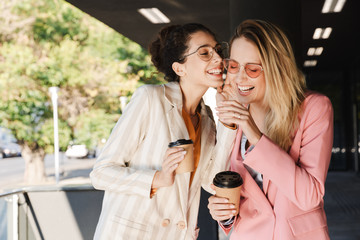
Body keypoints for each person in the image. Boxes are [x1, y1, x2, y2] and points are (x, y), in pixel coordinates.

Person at [90, 23, 237, 240]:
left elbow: (209, 181)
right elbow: (100, 174)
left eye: (218, 51)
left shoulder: (206, 118)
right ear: (180, 68)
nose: (218, 59)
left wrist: (228, 121)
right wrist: (158, 179)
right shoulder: (150, 99)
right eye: (205, 53)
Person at [208, 19, 334, 240]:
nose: (239, 77)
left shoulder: (314, 107)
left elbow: (309, 195)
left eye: (253, 69)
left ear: (276, 68)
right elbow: (227, 185)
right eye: (234, 66)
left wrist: (252, 131)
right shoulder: (233, 114)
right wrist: (225, 214)